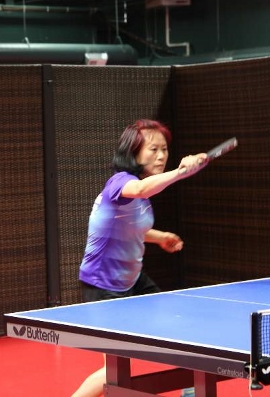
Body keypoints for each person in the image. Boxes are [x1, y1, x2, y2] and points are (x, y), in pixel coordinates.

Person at [72, 119, 207, 397]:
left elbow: (130, 227)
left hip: (133, 280)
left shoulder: (144, 194)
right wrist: (181, 171)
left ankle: (192, 392)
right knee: (114, 369)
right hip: (103, 286)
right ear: (133, 153)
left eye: (164, 149)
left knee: (181, 330)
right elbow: (142, 189)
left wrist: (160, 237)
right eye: (153, 149)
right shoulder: (120, 182)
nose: (161, 156)